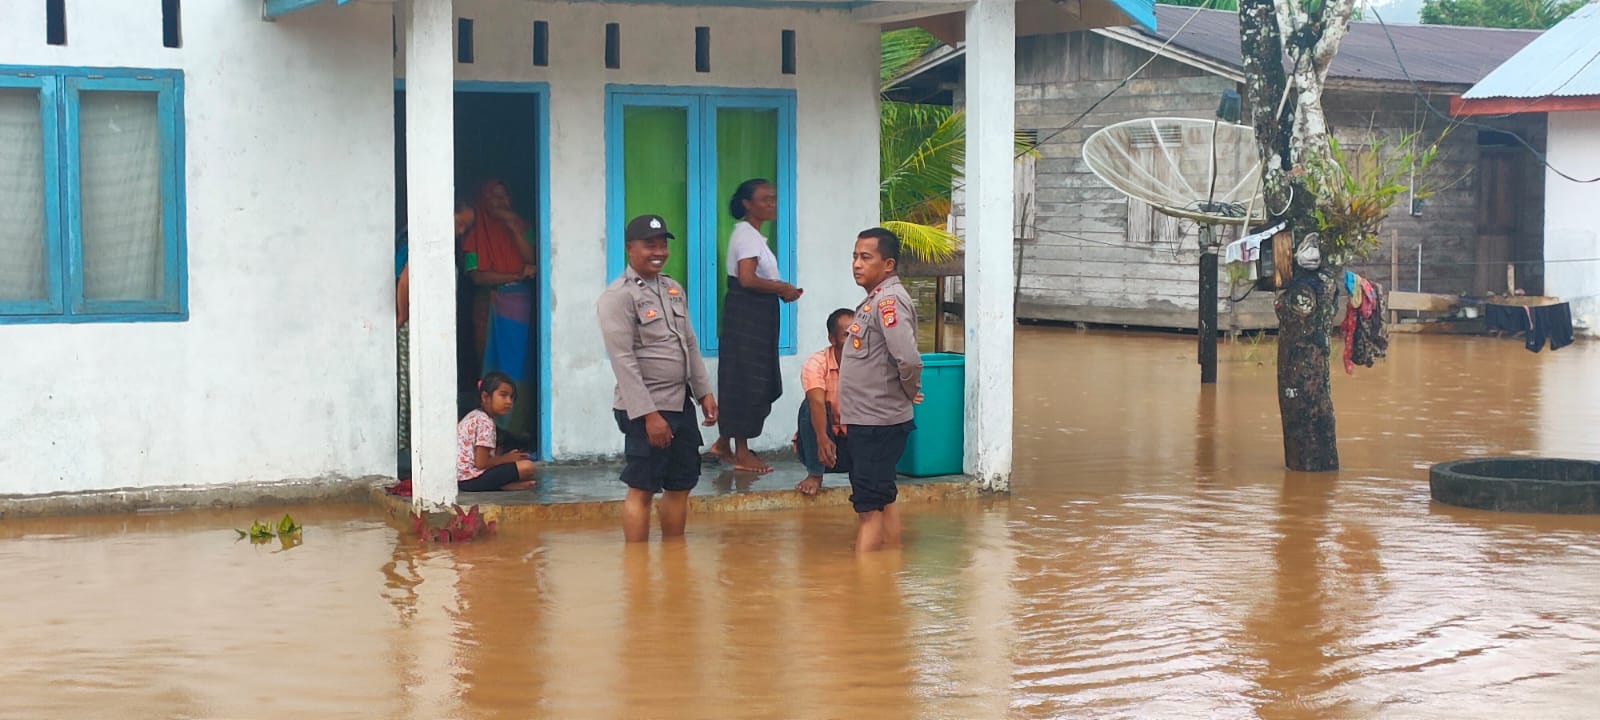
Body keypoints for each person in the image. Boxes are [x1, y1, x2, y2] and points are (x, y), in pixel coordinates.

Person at [598, 214, 720, 543]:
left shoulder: (672, 288)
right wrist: (649, 415)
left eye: (663, 244)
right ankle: (637, 573)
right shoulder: (617, 297)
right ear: (629, 249)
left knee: (681, 485)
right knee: (643, 488)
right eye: (649, 244)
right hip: (646, 410)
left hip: (680, 403)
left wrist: (704, 392)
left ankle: (673, 558)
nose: (659, 251)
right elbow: (623, 361)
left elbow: (688, 343)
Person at [709, 179, 802, 474]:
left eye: (773, 198)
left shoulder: (754, 237)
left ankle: (724, 443)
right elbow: (747, 278)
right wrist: (781, 287)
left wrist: (781, 290)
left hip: (757, 316)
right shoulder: (746, 235)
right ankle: (742, 452)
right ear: (747, 204)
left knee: (746, 377)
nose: (771, 203)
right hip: (747, 315)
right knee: (746, 381)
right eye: (764, 199)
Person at [838, 227, 922, 553]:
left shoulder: (888, 302)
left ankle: (865, 592)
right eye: (855, 257)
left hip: (877, 421)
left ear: (888, 265)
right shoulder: (875, 300)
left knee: (868, 509)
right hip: (871, 418)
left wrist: (908, 391)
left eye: (865, 257)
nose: (857, 264)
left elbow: (909, 359)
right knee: (884, 499)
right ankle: (888, 579)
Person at [397, 199, 476, 462]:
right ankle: (410, 450)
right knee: (411, 385)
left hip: (426, 324)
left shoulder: (428, 240)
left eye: (466, 227)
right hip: (414, 325)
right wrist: (403, 314)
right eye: (460, 223)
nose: (461, 231)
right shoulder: (422, 240)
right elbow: (405, 280)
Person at [460, 179, 538, 430]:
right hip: (488, 304)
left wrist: (512, 226)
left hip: (519, 306)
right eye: (492, 196)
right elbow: (476, 275)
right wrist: (516, 275)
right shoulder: (474, 233)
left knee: (520, 363)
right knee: (490, 362)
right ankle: (493, 428)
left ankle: (517, 425)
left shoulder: (522, 227)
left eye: (503, 196)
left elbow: (533, 261)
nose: (499, 201)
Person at [793, 308, 856, 496]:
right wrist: (822, 438)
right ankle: (815, 474)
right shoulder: (816, 362)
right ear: (832, 339)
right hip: (821, 445)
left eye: (856, 333)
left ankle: (863, 474)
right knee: (809, 406)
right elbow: (816, 404)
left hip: (854, 443)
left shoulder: (868, 363)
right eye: (847, 334)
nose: (854, 340)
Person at [457, 371, 539, 492]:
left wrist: (505, 458)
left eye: (511, 397)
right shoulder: (485, 422)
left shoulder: (476, 415)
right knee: (528, 467)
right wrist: (506, 459)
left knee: (521, 468)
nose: (509, 402)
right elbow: (481, 463)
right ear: (485, 397)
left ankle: (502, 485)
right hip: (470, 480)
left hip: (463, 478)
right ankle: (501, 486)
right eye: (503, 395)